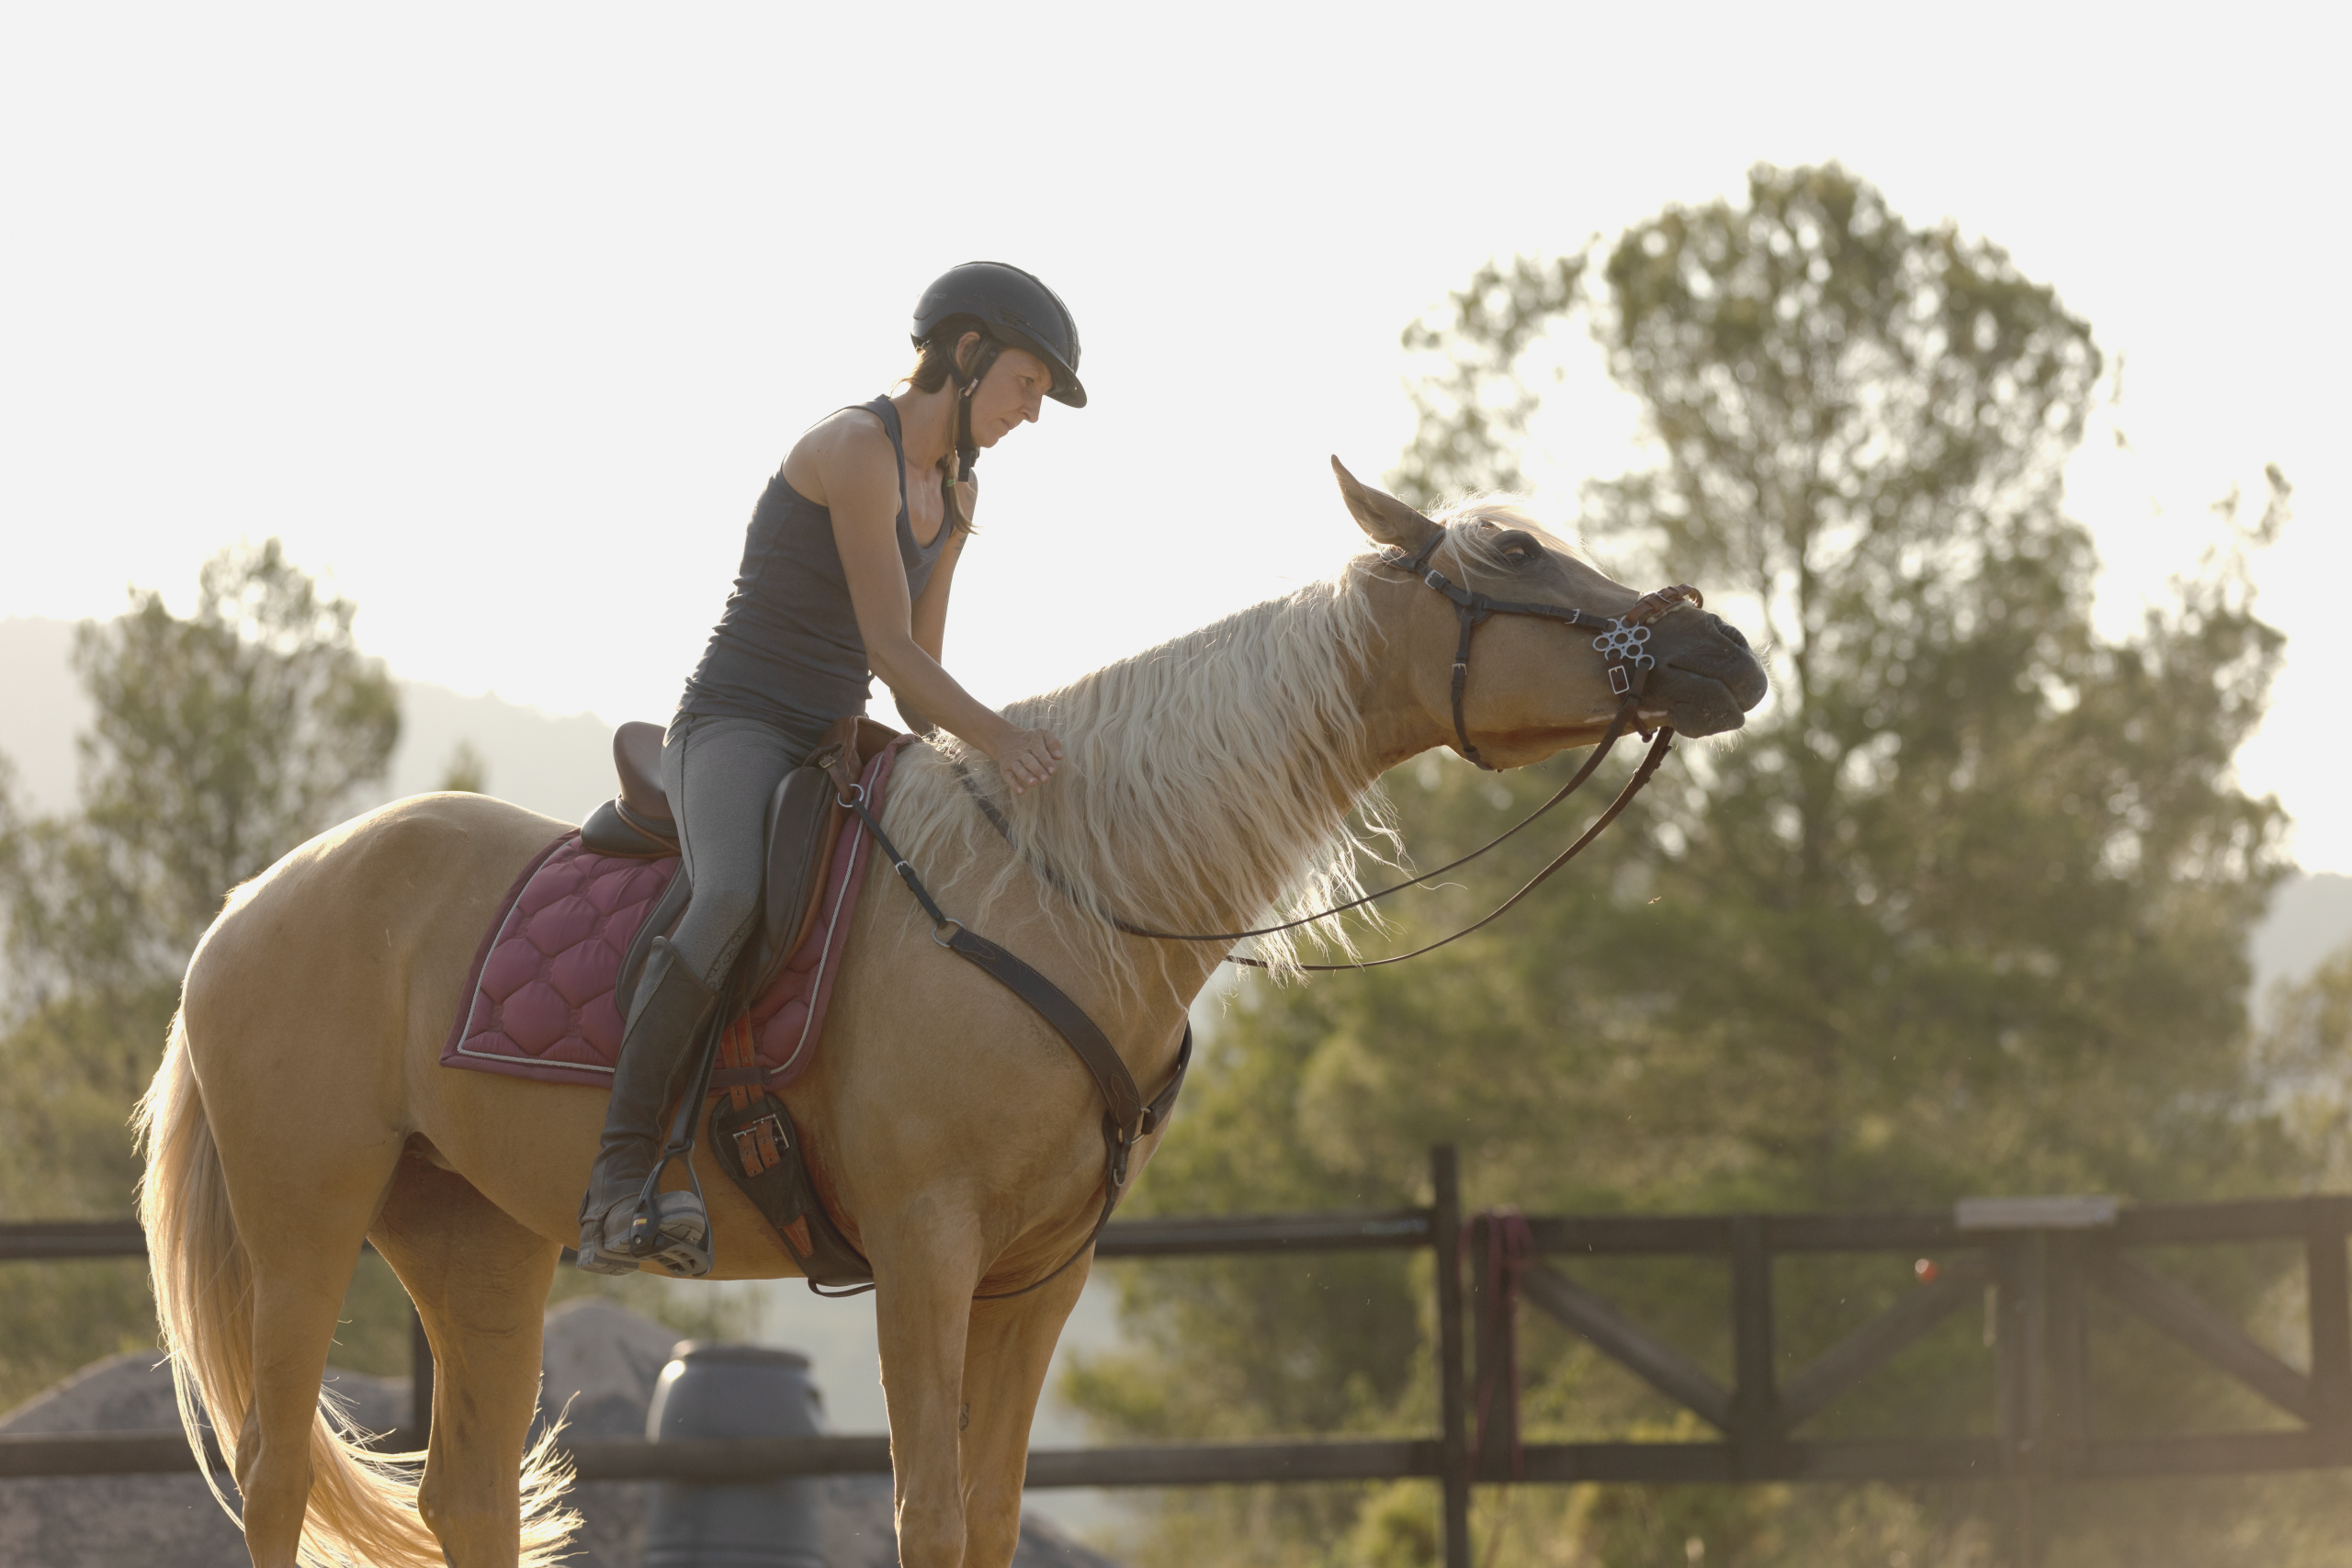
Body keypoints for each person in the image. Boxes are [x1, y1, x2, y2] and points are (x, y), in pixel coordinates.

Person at [576, 262, 1083, 1276]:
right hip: (734, 723)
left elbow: (911, 683)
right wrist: (1003, 738)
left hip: (829, 739)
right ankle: (618, 1178)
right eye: (1028, 383)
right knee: (726, 897)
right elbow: (890, 647)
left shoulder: (957, 490)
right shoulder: (855, 449)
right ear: (969, 352)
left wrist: (981, 761)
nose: (1034, 412)